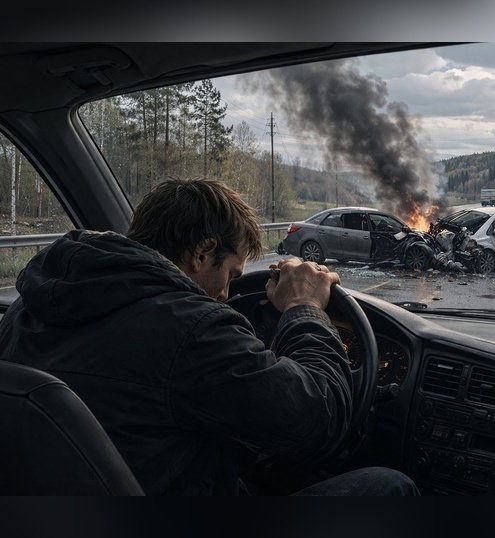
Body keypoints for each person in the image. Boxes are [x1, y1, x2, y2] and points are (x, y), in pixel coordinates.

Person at [0, 178, 417, 496]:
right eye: (231, 274)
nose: (226, 295)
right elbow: (318, 417)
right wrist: (303, 306)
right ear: (202, 252)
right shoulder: (192, 329)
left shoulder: (28, 308)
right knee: (389, 485)